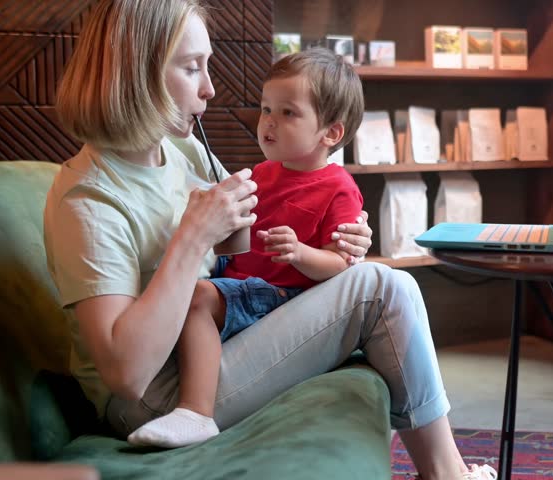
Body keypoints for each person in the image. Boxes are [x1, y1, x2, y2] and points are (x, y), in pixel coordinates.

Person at [43, 0, 496, 478]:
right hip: (156, 398)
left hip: (218, 337)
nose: (209, 87)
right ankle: (448, 474)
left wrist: (339, 240)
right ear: (137, 73)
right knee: (385, 288)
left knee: (375, 282)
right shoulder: (89, 201)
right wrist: (192, 239)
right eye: (192, 68)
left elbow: (249, 234)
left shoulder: (180, 149)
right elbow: (126, 377)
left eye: (207, 65)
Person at [126, 47, 366, 448]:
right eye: (266, 109)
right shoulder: (262, 173)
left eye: (288, 113)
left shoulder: (339, 188)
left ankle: (196, 413)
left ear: (331, 133)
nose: (268, 122)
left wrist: (300, 253)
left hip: (282, 295)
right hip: (241, 281)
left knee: (198, 296)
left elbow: (342, 264)